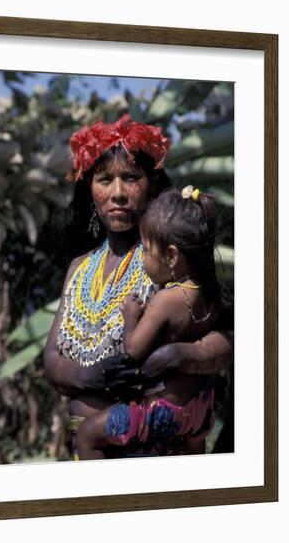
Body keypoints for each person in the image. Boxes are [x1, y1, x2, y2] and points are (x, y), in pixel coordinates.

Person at [43, 114, 233, 459]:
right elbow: (51, 359)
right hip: (87, 452)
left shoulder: (171, 263)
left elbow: (228, 336)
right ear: (90, 189)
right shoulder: (79, 268)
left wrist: (180, 356)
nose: (117, 193)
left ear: (152, 184)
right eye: (104, 179)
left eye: (131, 178)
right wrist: (92, 376)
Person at [76, 186, 223, 460]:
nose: (141, 257)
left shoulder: (166, 300)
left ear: (171, 256)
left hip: (165, 411)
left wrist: (130, 316)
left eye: (145, 249)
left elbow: (133, 349)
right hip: (200, 411)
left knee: (87, 434)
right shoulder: (211, 293)